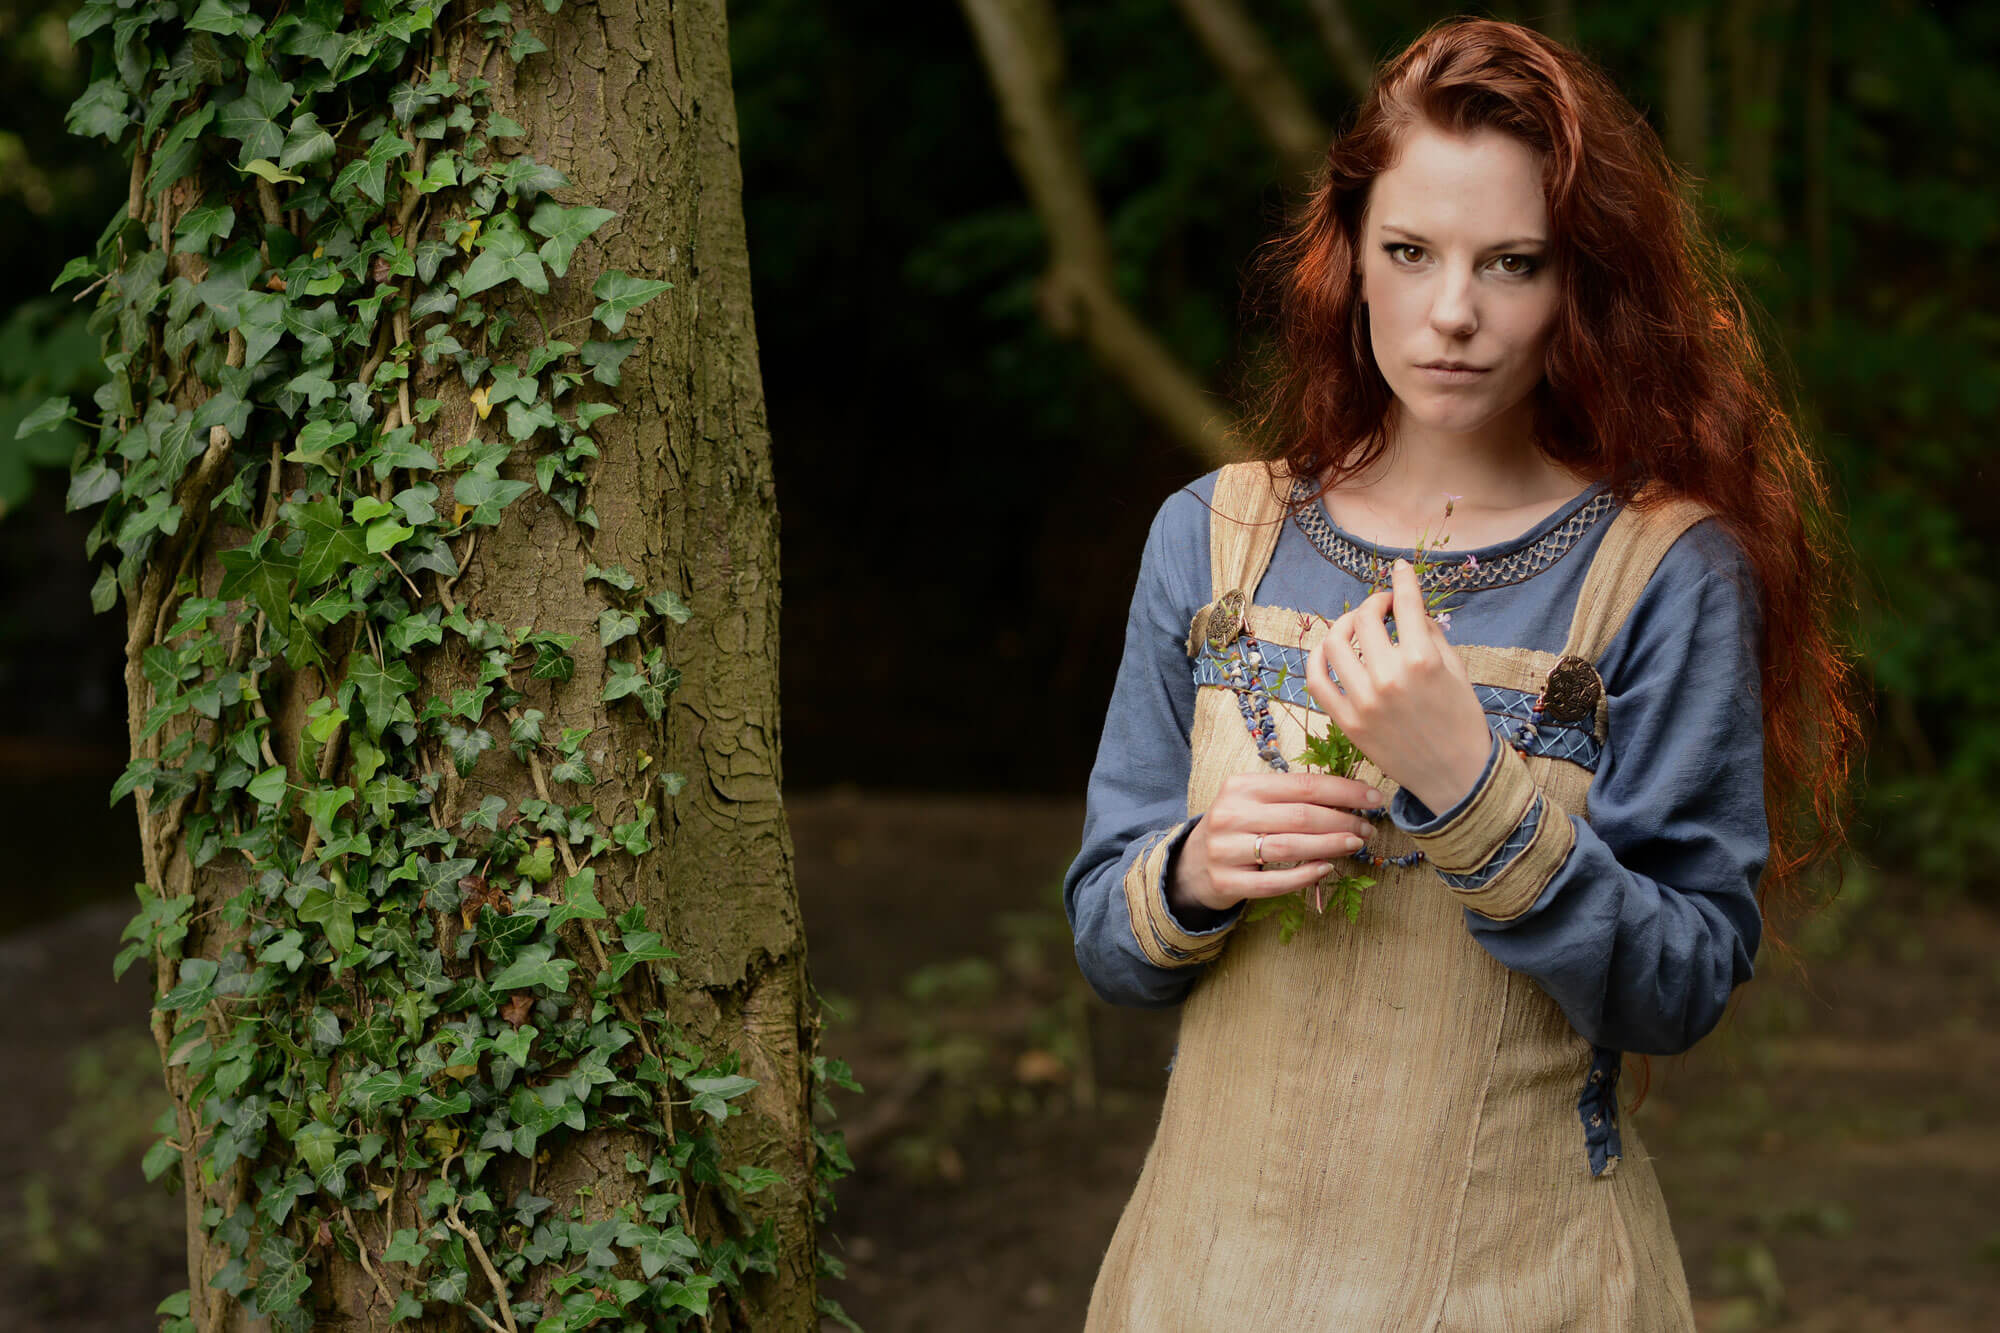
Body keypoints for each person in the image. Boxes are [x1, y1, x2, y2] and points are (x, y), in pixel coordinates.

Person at [1064, 17, 1862, 1331]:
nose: (1453, 313)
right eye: (1411, 253)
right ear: (1348, 259)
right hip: (1203, 1284)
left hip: (1521, 1287)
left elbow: (1680, 984)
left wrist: (1472, 788)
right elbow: (1107, 931)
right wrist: (1197, 869)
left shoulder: (1664, 571)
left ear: (1579, 283)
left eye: (1512, 263)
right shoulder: (1213, 540)